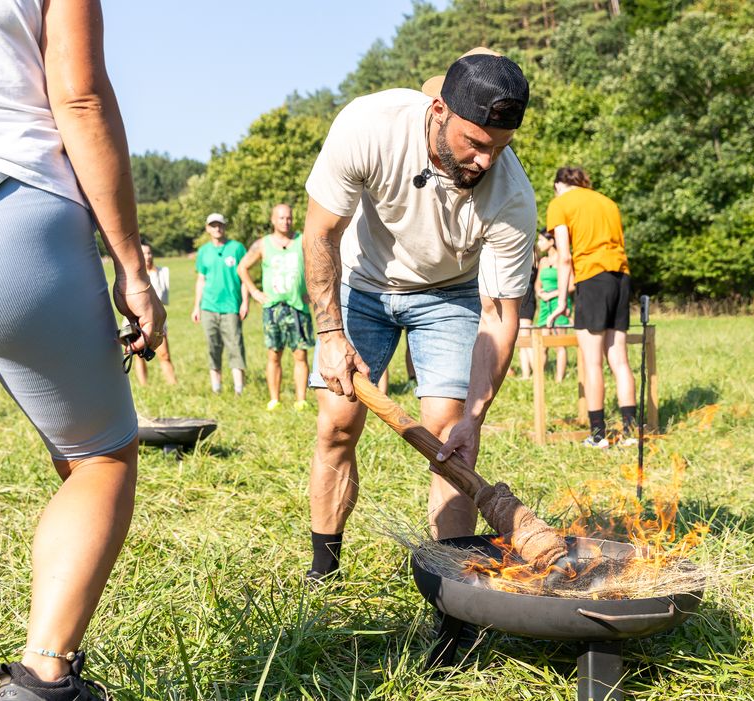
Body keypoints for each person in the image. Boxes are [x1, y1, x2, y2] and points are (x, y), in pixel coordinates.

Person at [0, 1, 165, 698]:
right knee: (99, 456)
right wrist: (130, 263)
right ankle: (42, 678)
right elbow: (80, 94)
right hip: (6, 203)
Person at [301, 48, 536, 580]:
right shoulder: (370, 125)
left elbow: (499, 314)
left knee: (449, 435)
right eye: (474, 143)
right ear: (438, 112)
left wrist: (474, 419)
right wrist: (330, 332)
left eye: (499, 148)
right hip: (362, 283)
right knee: (337, 423)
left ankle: (454, 594)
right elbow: (320, 234)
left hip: (450, 293)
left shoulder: (512, 197)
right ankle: (325, 569)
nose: (486, 161)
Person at [546, 166, 637, 448]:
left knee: (592, 360)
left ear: (559, 184)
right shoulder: (608, 202)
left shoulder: (560, 203)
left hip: (592, 278)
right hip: (621, 277)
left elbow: (564, 257)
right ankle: (631, 432)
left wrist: (562, 301)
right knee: (619, 359)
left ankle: (598, 434)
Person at [237, 203, 314, 411]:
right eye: (281, 218)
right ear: (273, 220)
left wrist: (312, 290)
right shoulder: (263, 244)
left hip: (298, 306)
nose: (285, 221)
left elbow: (318, 263)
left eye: (288, 218)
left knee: (300, 354)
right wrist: (254, 292)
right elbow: (242, 267)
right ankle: (274, 399)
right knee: (274, 354)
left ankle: (301, 400)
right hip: (273, 308)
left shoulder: (302, 240)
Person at [192, 213, 249, 395]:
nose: (217, 228)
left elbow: (244, 278)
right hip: (209, 306)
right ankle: (216, 388)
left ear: (225, 226)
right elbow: (201, 279)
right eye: (213, 225)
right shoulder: (203, 252)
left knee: (235, 345)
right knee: (213, 347)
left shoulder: (237, 248)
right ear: (208, 228)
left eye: (220, 225)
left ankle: (239, 389)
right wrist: (196, 306)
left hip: (231, 306)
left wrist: (245, 302)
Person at [133, 243, 177, 385]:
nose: (147, 256)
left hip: (157, 320)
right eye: (144, 253)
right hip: (136, 319)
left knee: (164, 353)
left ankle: (172, 384)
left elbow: (164, 299)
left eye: (149, 253)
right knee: (138, 355)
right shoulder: (135, 276)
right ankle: (144, 385)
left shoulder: (161, 273)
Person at [534, 230, 574, 382]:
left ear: (551, 241)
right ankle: (540, 378)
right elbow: (538, 283)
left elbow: (571, 285)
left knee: (559, 344)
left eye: (541, 240)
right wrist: (540, 293)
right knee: (543, 343)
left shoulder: (563, 259)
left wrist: (553, 294)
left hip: (560, 304)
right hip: (545, 306)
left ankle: (559, 379)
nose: (539, 244)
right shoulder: (543, 261)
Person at [515, 246, 539, 379]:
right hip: (521, 300)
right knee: (520, 340)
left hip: (527, 301)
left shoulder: (531, 258)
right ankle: (526, 374)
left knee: (526, 337)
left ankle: (537, 370)